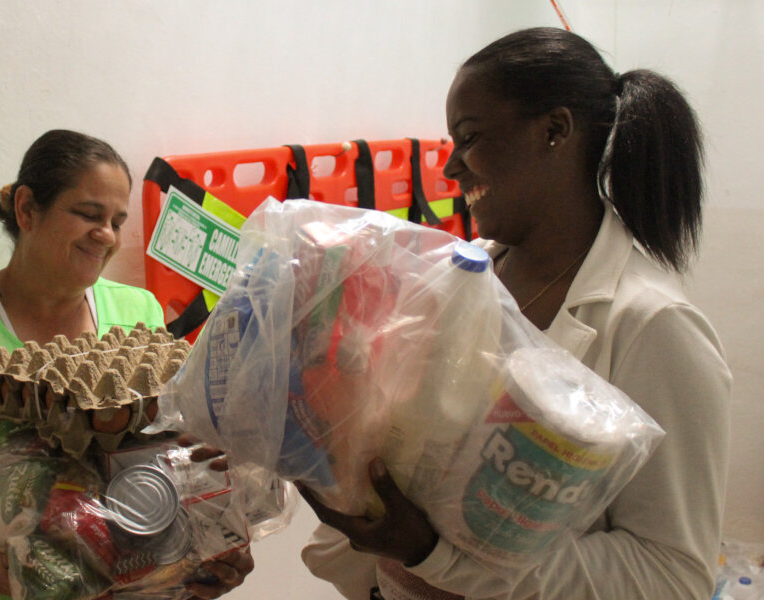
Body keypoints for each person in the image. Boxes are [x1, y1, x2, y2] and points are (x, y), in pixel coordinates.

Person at [298, 27, 732, 600]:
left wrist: (436, 553)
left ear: (554, 131)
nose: (452, 168)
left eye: (470, 137)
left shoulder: (654, 327)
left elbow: (673, 576)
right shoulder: (453, 281)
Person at [0, 129, 253, 600]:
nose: (107, 236)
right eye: (88, 214)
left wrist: (208, 543)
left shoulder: (137, 313)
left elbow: (169, 459)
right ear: (26, 209)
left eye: (118, 221)